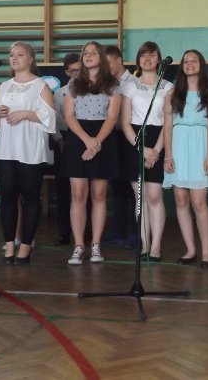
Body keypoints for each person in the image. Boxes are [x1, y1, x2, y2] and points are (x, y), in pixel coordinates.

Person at [0, 42, 55, 265]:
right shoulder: (5, 86)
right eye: (11, 54)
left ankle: (26, 245)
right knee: (8, 196)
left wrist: (26, 114)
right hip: (7, 148)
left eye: (20, 54)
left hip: (30, 147)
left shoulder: (40, 86)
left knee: (30, 196)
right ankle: (10, 244)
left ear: (31, 59)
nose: (14, 58)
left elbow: (50, 118)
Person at [64, 42, 121, 265]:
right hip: (78, 138)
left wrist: (96, 142)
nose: (88, 56)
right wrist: (87, 140)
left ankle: (96, 244)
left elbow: (112, 117)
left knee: (99, 194)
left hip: (103, 138)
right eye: (85, 53)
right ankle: (79, 245)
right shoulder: (74, 83)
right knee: (78, 194)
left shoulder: (112, 84)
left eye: (93, 53)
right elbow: (69, 116)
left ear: (101, 58)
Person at [163, 49, 208, 267]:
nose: (189, 64)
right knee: (181, 200)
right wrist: (168, 155)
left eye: (194, 60)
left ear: (201, 65)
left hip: (200, 147)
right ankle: (190, 250)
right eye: (186, 61)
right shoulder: (173, 94)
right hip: (178, 147)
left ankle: (207, 252)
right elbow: (168, 126)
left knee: (199, 202)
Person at [120, 41, 173, 261]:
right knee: (140, 196)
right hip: (136, 140)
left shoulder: (168, 87)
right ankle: (145, 244)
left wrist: (156, 151)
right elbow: (125, 122)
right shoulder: (130, 86)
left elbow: (168, 122)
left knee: (154, 195)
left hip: (159, 138)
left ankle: (156, 247)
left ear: (158, 59)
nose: (147, 59)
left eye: (151, 55)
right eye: (143, 55)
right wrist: (142, 148)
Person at [105, 45, 136, 243]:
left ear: (119, 61)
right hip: (112, 137)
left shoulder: (133, 83)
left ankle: (135, 231)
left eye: (108, 62)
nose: (105, 67)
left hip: (130, 136)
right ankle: (118, 229)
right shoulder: (105, 83)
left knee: (132, 185)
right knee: (116, 184)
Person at [52, 52, 81, 246]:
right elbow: (54, 118)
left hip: (85, 139)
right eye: (73, 71)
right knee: (62, 189)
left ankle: (86, 230)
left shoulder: (92, 90)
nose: (76, 73)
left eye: (79, 70)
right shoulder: (59, 93)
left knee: (84, 188)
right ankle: (64, 232)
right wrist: (60, 139)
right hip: (65, 139)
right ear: (67, 72)